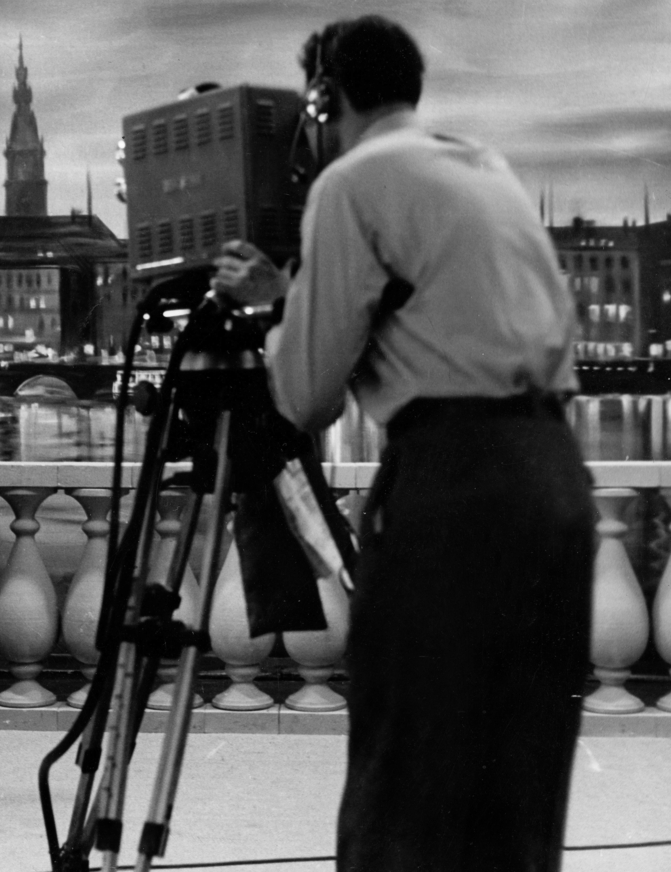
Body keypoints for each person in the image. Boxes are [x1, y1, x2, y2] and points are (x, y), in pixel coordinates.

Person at [212, 16, 595, 872]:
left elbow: (307, 396)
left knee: (409, 775)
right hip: (557, 482)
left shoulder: (352, 184)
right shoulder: (482, 167)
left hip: (455, 488)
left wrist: (280, 310)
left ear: (324, 99)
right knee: (519, 780)